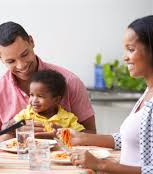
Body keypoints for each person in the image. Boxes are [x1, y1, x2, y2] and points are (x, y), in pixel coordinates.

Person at [63, 15, 153, 174]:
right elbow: (130, 140)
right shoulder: (148, 92)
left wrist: (102, 165)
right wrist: (82, 138)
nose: (125, 57)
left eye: (131, 49)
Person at [0, 21, 96, 140]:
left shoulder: (70, 82)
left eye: (24, 54)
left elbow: (92, 136)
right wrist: (14, 131)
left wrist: (62, 133)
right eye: (11, 61)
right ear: (0, 58)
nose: (21, 65)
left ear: (31, 42)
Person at [12, 70, 85, 137]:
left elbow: (82, 135)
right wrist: (17, 127)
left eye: (40, 96)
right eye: (31, 95)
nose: (34, 100)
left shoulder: (68, 118)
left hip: (59, 151)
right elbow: (8, 127)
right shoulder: (27, 113)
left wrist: (64, 132)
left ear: (56, 99)